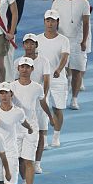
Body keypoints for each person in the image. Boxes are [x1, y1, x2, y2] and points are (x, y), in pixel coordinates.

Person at [11, 58, 53, 184]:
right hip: (16, 128)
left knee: (28, 160)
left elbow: (43, 104)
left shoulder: (37, 87)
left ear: (32, 69)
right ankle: (24, 181)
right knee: (19, 159)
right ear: (18, 68)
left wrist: (51, 117)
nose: (24, 69)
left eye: (27, 67)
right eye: (22, 66)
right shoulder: (11, 87)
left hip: (31, 128)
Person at [51, 0, 90, 109]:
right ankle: (62, 95)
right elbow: (53, 22)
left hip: (77, 41)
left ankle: (74, 98)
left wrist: (84, 41)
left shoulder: (83, 3)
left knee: (77, 69)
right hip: (62, 40)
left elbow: (86, 23)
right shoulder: (57, 3)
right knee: (62, 70)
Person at [36, 9, 70, 148]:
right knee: (42, 109)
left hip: (58, 79)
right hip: (42, 79)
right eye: (48, 20)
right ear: (44, 22)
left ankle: (56, 136)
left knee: (57, 109)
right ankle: (43, 137)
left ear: (57, 23)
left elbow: (65, 56)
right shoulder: (37, 39)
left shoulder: (64, 40)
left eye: (53, 21)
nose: (50, 23)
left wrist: (58, 70)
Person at [15, 35, 50, 171]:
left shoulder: (43, 61)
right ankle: (24, 163)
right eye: (26, 43)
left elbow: (46, 80)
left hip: (39, 102)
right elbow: (14, 82)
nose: (29, 46)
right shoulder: (17, 62)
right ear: (23, 45)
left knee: (40, 132)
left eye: (32, 44)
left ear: (36, 45)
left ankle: (37, 162)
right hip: (23, 104)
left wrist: (43, 98)